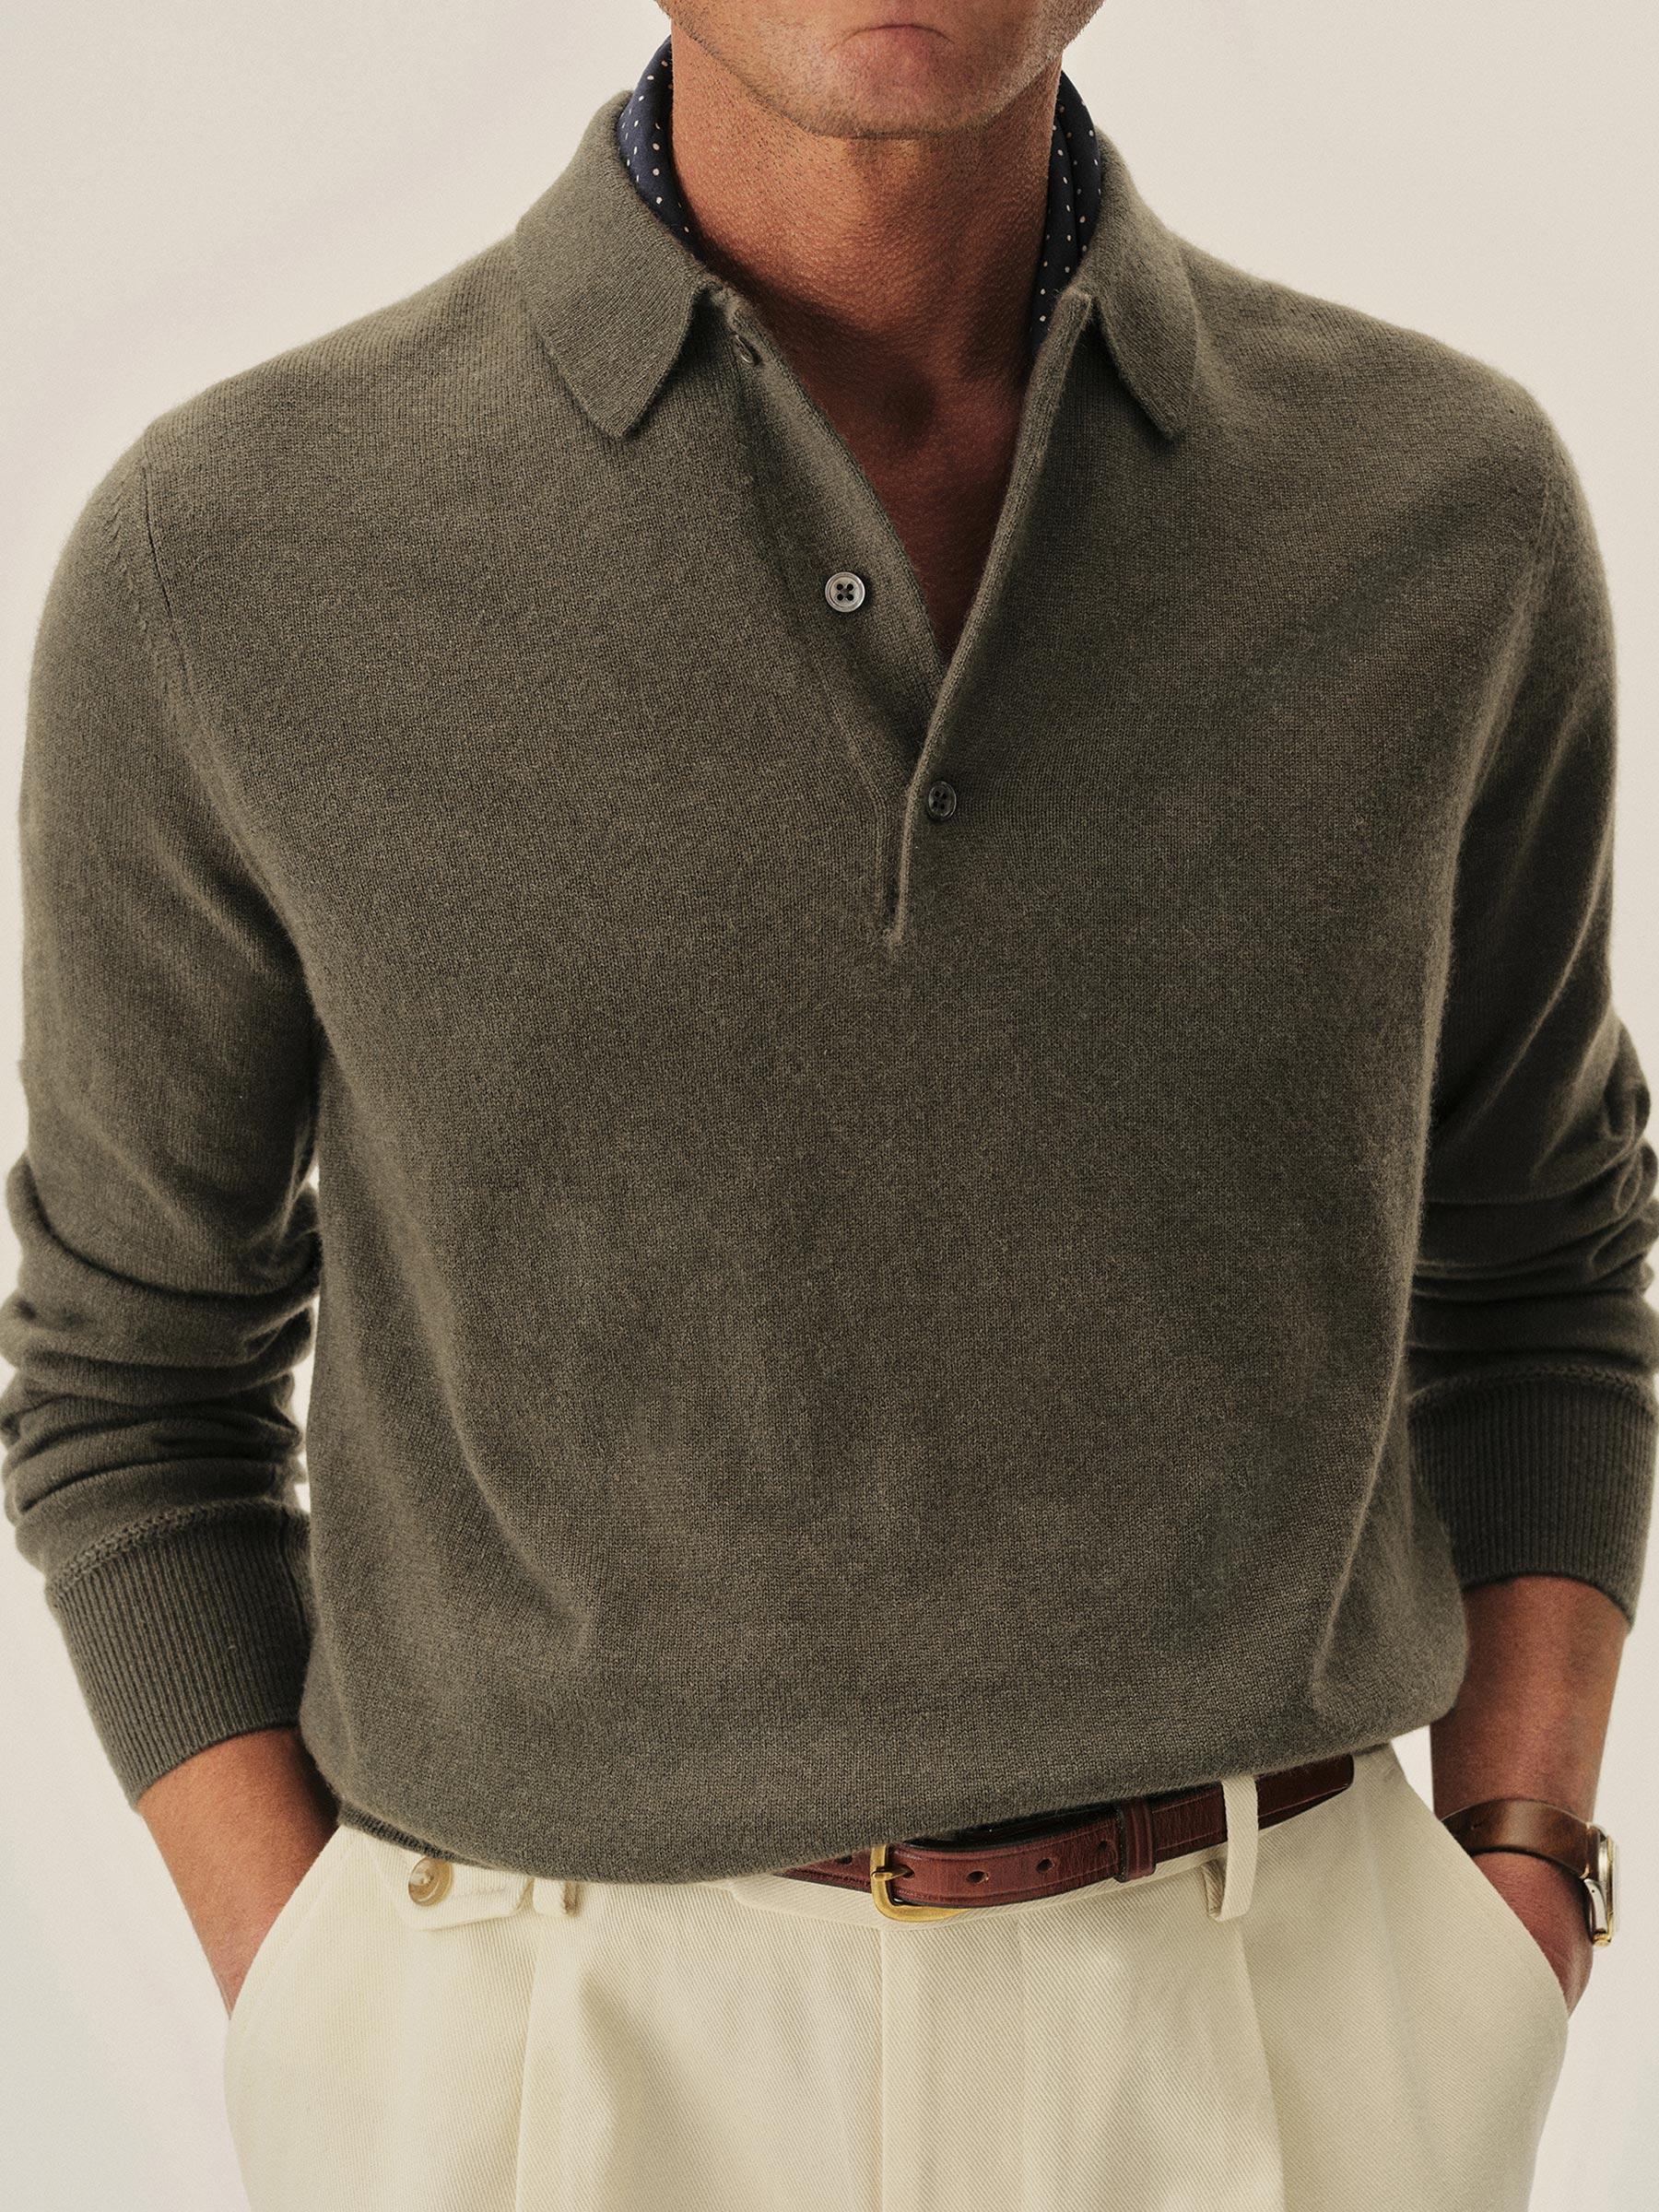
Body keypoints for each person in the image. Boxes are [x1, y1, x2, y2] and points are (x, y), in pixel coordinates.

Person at [4, 6, 1653, 2209]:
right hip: (547, 2066)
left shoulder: (1446, 515)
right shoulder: (231, 555)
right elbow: (125, 1374)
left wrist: (1523, 1868)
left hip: (1281, 2031)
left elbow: (1546, 1263)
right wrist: (326, 2000)